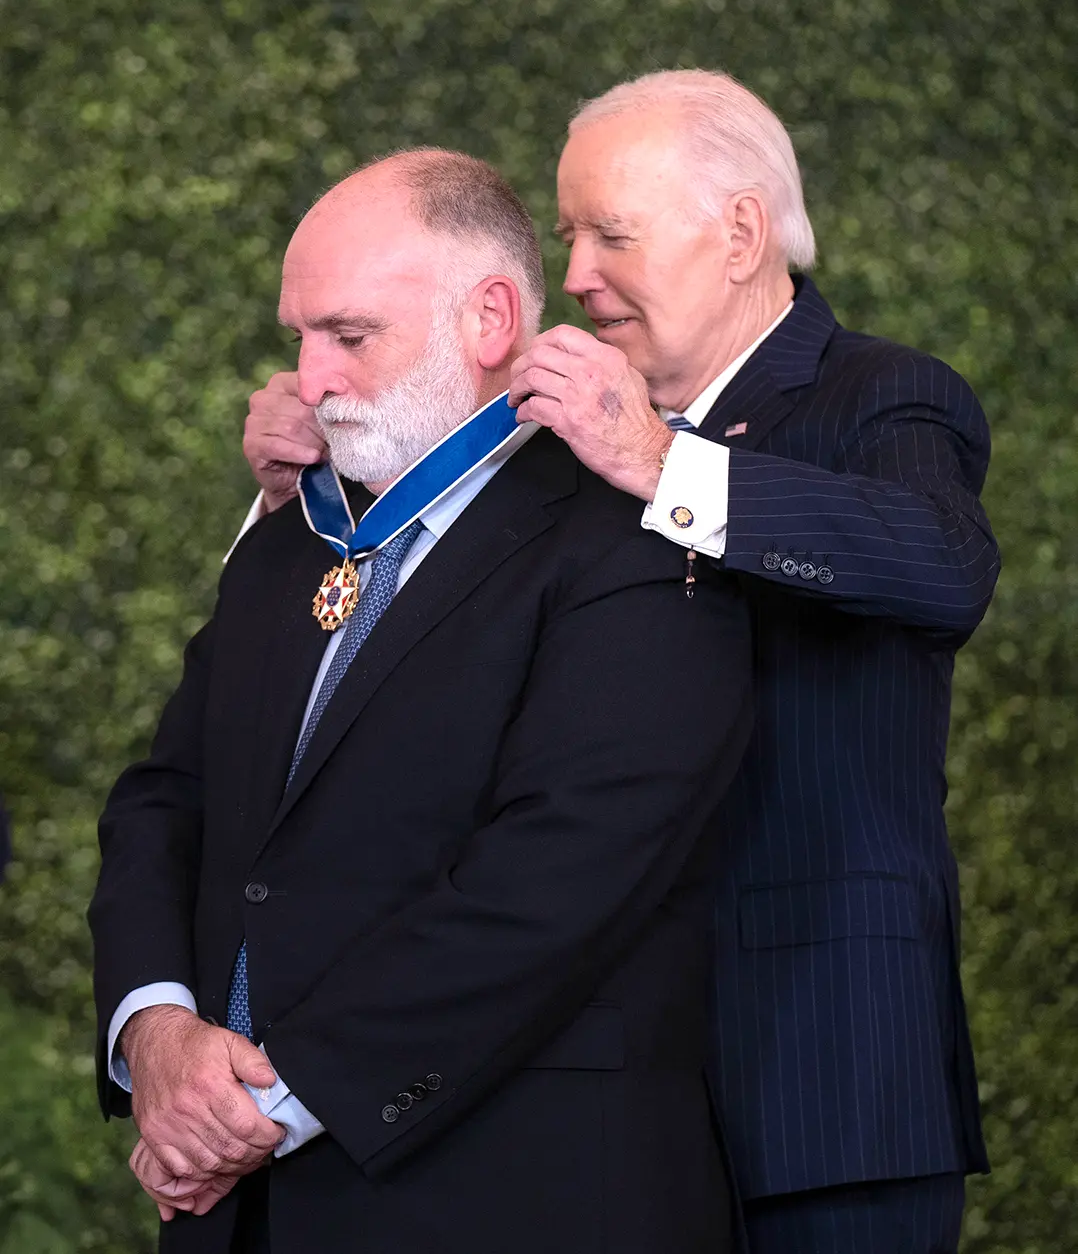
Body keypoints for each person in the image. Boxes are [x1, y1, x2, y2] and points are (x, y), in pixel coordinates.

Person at [242, 72, 1000, 1254]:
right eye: (569, 236)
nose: (580, 272)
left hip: (820, 1082)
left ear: (740, 230)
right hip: (588, 1104)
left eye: (612, 233)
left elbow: (942, 569)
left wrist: (661, 464)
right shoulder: (559, 431)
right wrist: (317, 472)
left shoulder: (881, 396)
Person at [89, 148, 755, 1254]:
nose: (309, 380)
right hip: (239, 1214)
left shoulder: (636, 535)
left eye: (348, 337)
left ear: (489, 317)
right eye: (297, 337)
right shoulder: (294, 531)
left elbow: (561, 872)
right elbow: (165, 799)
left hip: (511, 1199)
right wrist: (155, 1033)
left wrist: (261, 1102)